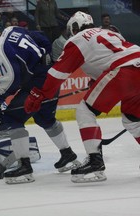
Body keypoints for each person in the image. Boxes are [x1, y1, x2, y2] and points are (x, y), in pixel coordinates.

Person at [24, 11, 140, 183]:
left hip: (123, 71)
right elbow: (111, 55)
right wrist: (97, 80)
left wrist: (39, 94)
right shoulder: (109, 32)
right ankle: (95, 159)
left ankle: (95, 162)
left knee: (85, 111)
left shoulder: (77, 40)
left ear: (74, 28)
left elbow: (57, 74)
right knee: (132, 119)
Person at [0, 19, 80, 184]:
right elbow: (41, 37)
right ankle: (69, 156)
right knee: (45, 118)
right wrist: (46, 56)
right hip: (51, 75)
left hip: (36, 84)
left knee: (12, 118)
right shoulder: (13, 29)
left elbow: (12, 78)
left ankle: (25, 168)